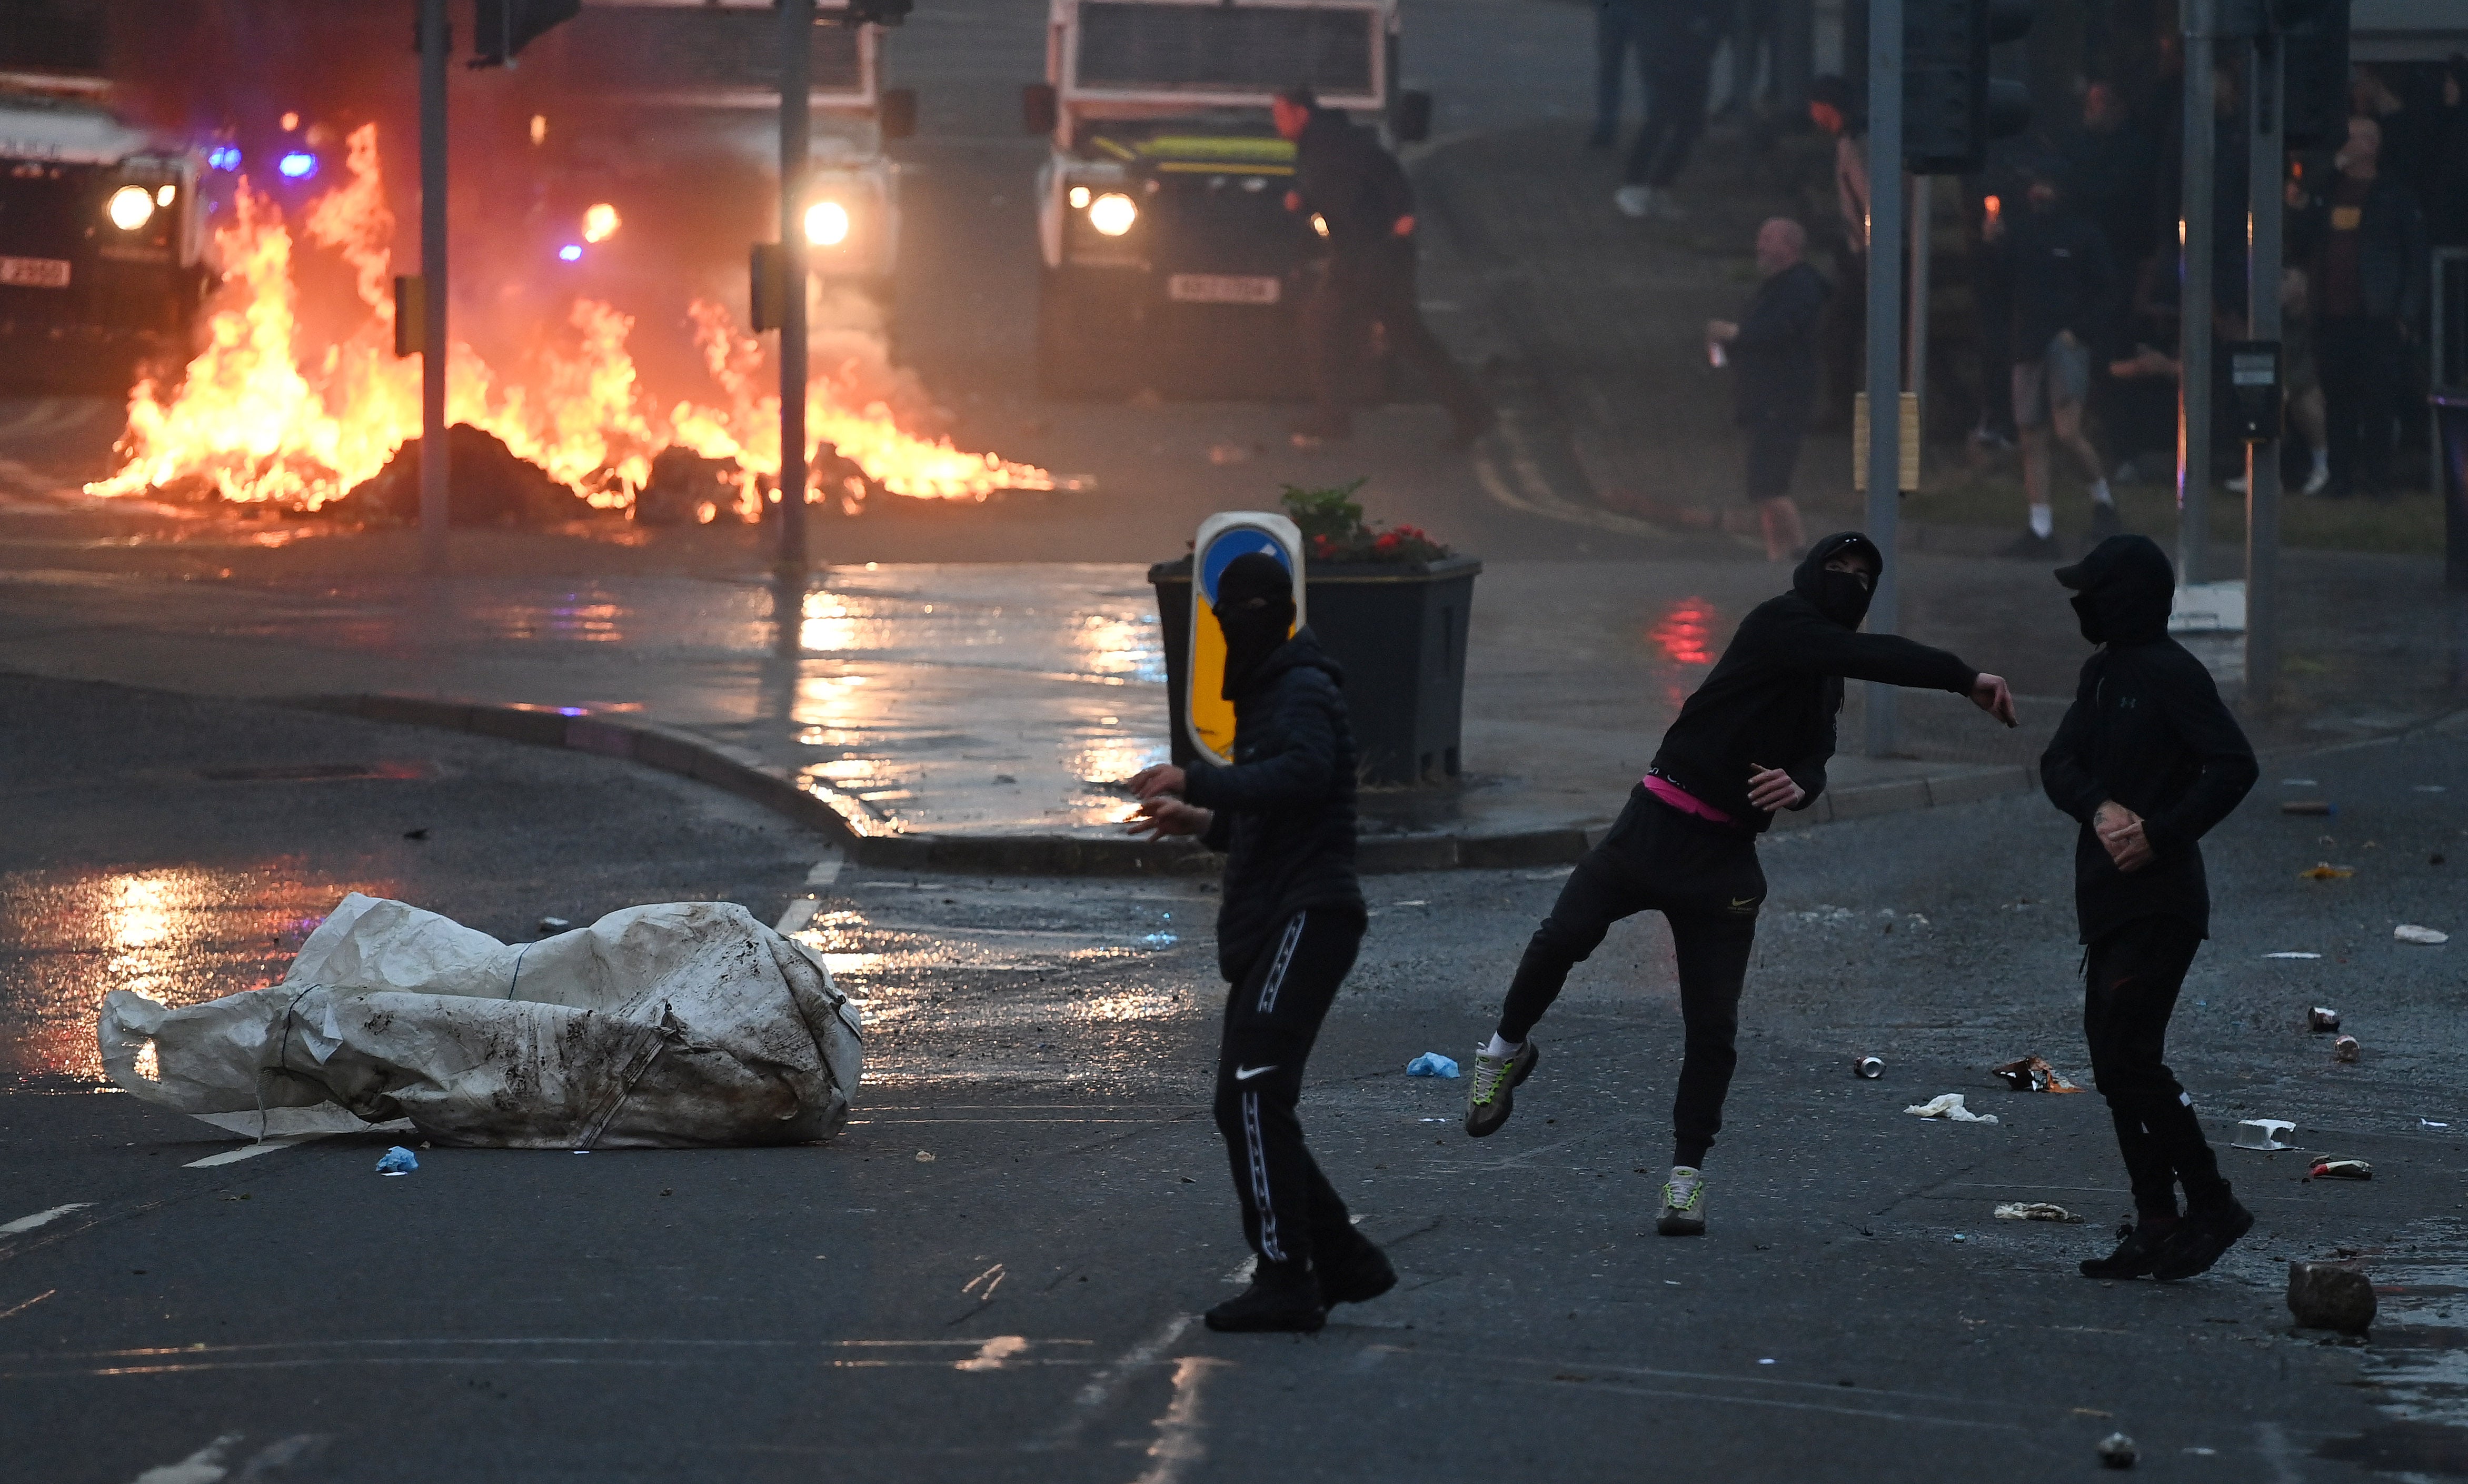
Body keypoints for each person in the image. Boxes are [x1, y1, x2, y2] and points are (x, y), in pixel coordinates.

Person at [1462, 534, 2019, 1238]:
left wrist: (1802, 785)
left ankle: (1685, 1179)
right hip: (1655, 821)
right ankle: (1501, 1053)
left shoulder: (1826, 676)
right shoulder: (1779, 623)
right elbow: (1872, 652)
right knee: (1563, 936)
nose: (1849, 583)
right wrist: (1963, 677)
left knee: (1714, 1027)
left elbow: (1815, 756)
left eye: (1862, 576)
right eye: (1836, 570)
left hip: (1725, 856)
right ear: (1807, 576)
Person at [1127, 553, 1392, 1334]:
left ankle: (1288, 1275)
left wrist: (1197, 779)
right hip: (1280, 912)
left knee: (1254, 1089)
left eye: (1237, 612)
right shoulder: (1272, 690)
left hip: (1309, 914)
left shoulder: (1302, 687)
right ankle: (1343, 1255)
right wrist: (1204, 822)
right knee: (1241, 1096)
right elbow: (1272, 813)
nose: (1230, 627)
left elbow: (1305, 776)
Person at [2039, 535, 2259, 1282]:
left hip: (2161, 901)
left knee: (2132, 1056)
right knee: (2114, 1060)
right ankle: (2158, 1218)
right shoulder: (2101, 674)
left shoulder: (2172, 673)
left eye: (2092, 592)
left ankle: (2211, 1202)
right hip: (2106, 902)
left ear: (2125, 598)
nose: (2081, 606)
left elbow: (2234, 763)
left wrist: (2160, 833)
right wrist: (2098, 805)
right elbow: (2057, 762)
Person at [1274, 87, 1496, 452]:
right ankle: (1333, 416)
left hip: (1378, 255)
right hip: (1356, 255)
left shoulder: (1332, 141)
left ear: (1301, 114)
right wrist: (1304, 199)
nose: (1277, 123)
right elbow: (1336, 188)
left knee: (1406, 339)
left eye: (1281, 114)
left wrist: (1403, 214)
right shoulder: (1317, 145)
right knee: (1325, 325)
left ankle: (1472, 413)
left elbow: (1382, 169)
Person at [1991, 165, 2121, 558]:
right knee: (2033, 437)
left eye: (2048, 185)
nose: (2041, 193)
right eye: (2036, 186)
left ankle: (2103, 501)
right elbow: (1999, 283)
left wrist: (2079, 331)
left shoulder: (2084, 235)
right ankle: (2041, 527)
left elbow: (2107, 291)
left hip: (2066, 342)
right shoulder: (2020, 232)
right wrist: (1992, 243)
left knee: (2067, 432)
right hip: (2028, 341)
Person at [2297, 115, 2428, 499]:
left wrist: (2405, 313)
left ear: (2373, 145)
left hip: (2377, 315)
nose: (2347, 147)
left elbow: (2415, 257)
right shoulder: (2329, 191)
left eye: (2354, 140)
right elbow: (2301, 197)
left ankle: (2378, 479)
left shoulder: (2394, 195)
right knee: (2337, 400)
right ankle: (2340, 477)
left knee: (2378, 401)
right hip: (2332, 314)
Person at [1708, 218, 1827, 561]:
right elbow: (1749, 340)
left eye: (1767, 239)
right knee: (1763, 488)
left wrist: (1733, 334)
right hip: (1761, 399)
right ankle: (1777, 557)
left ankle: (1801, 551)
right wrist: (1722, 346)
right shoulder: (1774, 288)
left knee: (1769, 485)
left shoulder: (1801, 287)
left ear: (1791, 246)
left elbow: (1775, 332)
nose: (1759, 246)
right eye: (1759, 238)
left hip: (1782, 399)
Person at [1614, 0, 1724, 220]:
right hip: (1670, 53)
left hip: (1689, 54)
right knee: (1663, 121)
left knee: (1686, 126)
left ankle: (1655, 187)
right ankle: (1635, 184)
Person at [1808, 75, 1869, 433]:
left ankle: (1842, 408)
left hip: (1869, 257)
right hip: (1866, 253)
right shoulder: (1855, 141)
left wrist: (1868, 249)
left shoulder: (1855, 147)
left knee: (1840, 328)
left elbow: (1873, 201)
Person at [1588, 0, 1648, 152]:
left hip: (1616, 10)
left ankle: (1606, 129)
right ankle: (1657, 126)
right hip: (1642, 11)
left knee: (1611, 72)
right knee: (1652, 71)